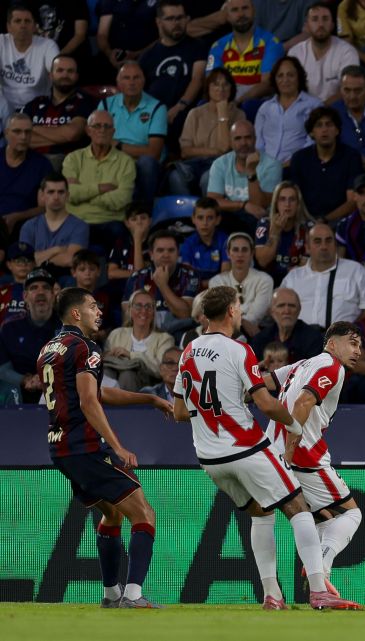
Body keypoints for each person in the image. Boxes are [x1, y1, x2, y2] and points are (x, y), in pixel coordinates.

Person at [173, 286, 360, 610]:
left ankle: (272, 595)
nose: (242, 312)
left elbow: (178, 412)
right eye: (239, 307)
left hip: (208, 456)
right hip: (249, 447)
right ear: (231, 311)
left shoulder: (188, 350)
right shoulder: (240, 350)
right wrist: (291, 431)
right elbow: (271, 403)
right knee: (300, 510)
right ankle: (319, 589)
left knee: (262, 516)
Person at [40, 287, 173, 608]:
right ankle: (134, 595)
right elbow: (89, 401)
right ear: (76, 314)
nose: (99, 311)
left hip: (60, 449)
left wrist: (150, 398)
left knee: (112, 514)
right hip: (85, 447)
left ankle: (111, 594)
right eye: (92, 306)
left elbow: (95, 393)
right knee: (144, 513)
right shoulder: (86, 348)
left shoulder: (50, 348)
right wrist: (117, 446)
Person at [261, 320, 365, 605]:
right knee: (351, 515)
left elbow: (262, 382)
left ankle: (310, 587)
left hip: (274, 450)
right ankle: (321, 565)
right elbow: (303, 403)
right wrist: (291, 452)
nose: (358, 350)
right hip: (304, 454)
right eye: (352, 342)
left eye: (360, 345)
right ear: (332, 344)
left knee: (319, 519)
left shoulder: (300, 365)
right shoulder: (332, 367)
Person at [98, 61, 168, 203]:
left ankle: (143, 212)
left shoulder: (157, 107)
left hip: (142, 164)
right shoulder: (106, 104)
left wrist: (119, 145)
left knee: (147, 163)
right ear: (118, 82)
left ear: (143, 81)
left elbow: (153, 153)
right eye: (126, 78)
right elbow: (99, 142)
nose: (132, 82)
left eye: (136, 78)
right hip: (114, 160)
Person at [170, 68, 247, 195]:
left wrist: (223, 115)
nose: (220, 89)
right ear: (208, 88)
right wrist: (214, 151)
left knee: (209, 178)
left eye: (225, 84)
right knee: (175, 177)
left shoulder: (239, 115)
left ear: (231, 88)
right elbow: (185, 151)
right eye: (215, 84)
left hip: (222, 166)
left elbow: (224, 148)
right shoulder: (195, 113)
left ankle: (209, 214)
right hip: (194, 164)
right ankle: (188, 214)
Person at [282, 222, 365, 328]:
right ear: (307, 247)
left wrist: (350, 333)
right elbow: (279, 309)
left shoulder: (356, 271)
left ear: (335, 245)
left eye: (329, 241)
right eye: (317, 241)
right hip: (301, 341)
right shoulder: (293, 278)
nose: (324, 246)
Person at [139, 0, 207, 141]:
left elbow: (198, 79)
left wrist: (180, 106)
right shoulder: (147, 56)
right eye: (170, 19)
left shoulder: (198, 46)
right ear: (159, 22)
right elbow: (140, 92)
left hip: (186, 111)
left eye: (180, 18)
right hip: (154, 114)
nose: (176, 23)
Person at [288, 106, 363, 222]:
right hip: (305, 220)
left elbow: (352, 201)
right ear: (311, 133)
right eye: (319, 125)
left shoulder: (351, 157)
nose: (324, 130)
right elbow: (295, 198)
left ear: (337, 130)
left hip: (340, 221)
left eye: (329, 124)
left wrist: (325, 220)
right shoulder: (299, 159)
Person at [207, 120, 282, 234]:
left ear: (255, 139)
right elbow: (212, 201)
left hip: (259, 222)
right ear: (231, 142)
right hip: (230, 217)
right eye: (238, 138)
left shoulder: (272, 165)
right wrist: (243, 205)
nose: (243, 143)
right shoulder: (220, 164)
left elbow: (259, 206)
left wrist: (251, 171)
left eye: (248, 138)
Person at [62, 110, 136, 228]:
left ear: (113, 132)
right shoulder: (73, 159)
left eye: (107, 126)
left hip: (110, 222)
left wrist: (84, 194)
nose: (102, 130)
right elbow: (69, 194)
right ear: (88, 130)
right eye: (97, 126)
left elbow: (122, 199)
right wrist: (101, 188)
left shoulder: (126, 162)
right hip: (76, 221)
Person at [22, 54, 95, 167]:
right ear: (51, 75)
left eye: (70, 71)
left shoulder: (85, 102)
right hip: (31, 162)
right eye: (60, 70)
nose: (65, 75)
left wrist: (32, 127)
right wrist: (61, 138)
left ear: (76, 76)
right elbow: (20, 138)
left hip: (68, 164)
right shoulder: (35, 104)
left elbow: (72, 134)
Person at [0, 268, 61, 403]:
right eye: (34, 288)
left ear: (53, 295)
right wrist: (25, 380)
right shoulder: (9, 327)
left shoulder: (67, 326)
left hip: (57, 388)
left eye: (45, 288)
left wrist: (46, 380)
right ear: (25, 296)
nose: (40, 292)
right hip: (16, 389)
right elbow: (3, 368)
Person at [205, 0, 284, 104]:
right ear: (227, 16)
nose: (241, 14)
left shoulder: (272, 43)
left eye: (245, 8)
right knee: (202, 106)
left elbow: (267, 84)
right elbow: (211, 82)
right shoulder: (218, 46)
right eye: (235, 10)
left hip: (258, 102)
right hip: (225, 99)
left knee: (249, 105)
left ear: (254, 11)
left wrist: (237, 102)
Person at [254, 56, 323, 165]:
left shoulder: (314, 105)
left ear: (299, 77)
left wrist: (291, 162)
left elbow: (313, 142)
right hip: (265, 168)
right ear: (275, 80)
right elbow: (258, 143)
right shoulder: (265, 108)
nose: (285, 80)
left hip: (299, 166)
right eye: (280, 76)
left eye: (290, 75)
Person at [104, 290, 176, 392]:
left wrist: (131, 355)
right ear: (130, 310)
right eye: (138, 306)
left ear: (154, 312)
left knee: (127, 374)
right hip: (115, 378)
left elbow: (162, 370)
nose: (143, 311)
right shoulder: (116, 334)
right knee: (106, 372)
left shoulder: (165, 339)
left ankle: (127, 408)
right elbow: (105, 361)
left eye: (148, 306)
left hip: (149, 385)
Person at [19, 173, 89, 277]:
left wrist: (39, 258)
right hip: (35, 278)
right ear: (42, 195)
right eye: (51, 192)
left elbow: (70, 260)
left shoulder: (80, 226)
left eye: (61, 192)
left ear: (67, 195)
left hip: (66, 278)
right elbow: (25, 263)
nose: (56, 197)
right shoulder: (29, 226)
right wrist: (57, 249)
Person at [287, 3, 359, 104]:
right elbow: (291, 90)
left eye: (325, 19)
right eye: (315, 19)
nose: (320, 24)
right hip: (303, 110)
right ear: (307, 25)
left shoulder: (347, 52)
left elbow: (348, 90)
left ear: (333, 25)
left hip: (337, 109)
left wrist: (320, 110)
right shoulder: (295, 53)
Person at [209, 231, 274, 337]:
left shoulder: (265, 280)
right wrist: (243, 319)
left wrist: (235, 314)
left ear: (252, 253)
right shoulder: (216, 282)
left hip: (258, 332)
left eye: (244, 250)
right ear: (228, 253)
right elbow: (220, 314)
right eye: (235, 250)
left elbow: (256, 316)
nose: (240, 254)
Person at [0, 113, 53, 234]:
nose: (23, 137)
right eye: (17, 132)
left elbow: (46, 207)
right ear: (6, 133)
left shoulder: (41, 165)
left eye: (27, 132)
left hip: (26, 226)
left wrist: (17, 216)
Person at [254, 181, 314, 285]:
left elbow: (310, 265)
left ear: (298, 204)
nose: (287, 204)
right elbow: (263, 261)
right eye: (282, 199)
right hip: (268, 281)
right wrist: (275, 234)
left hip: (298, 280)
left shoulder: (309, 228)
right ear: (276, 203)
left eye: (292, 199)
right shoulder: (265, 224)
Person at [0, 4, 59, 110]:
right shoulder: (1, 42)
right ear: (8, 27)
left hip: (37, 108)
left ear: (34, 26)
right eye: (17, 21)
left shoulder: (48, 46)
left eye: (27, 21)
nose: (23, 25)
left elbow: (57, 71)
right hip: (5, 107)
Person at [250, 288, 323, 363]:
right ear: (272, 311)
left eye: (292, 306)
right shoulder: (260, 339)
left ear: (299, 309)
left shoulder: (314, 339)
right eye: (281, 306)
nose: (287, 311)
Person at [179, 198, 229, 285]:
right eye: (200, 218)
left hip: (219, 290)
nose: (205, 223)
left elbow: (225, 277)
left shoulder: (226, 241)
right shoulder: (188, 243)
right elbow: (187, 277)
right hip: (193, 290)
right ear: (193, 219)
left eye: (210, 218)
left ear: (217, 220)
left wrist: (202, 284)